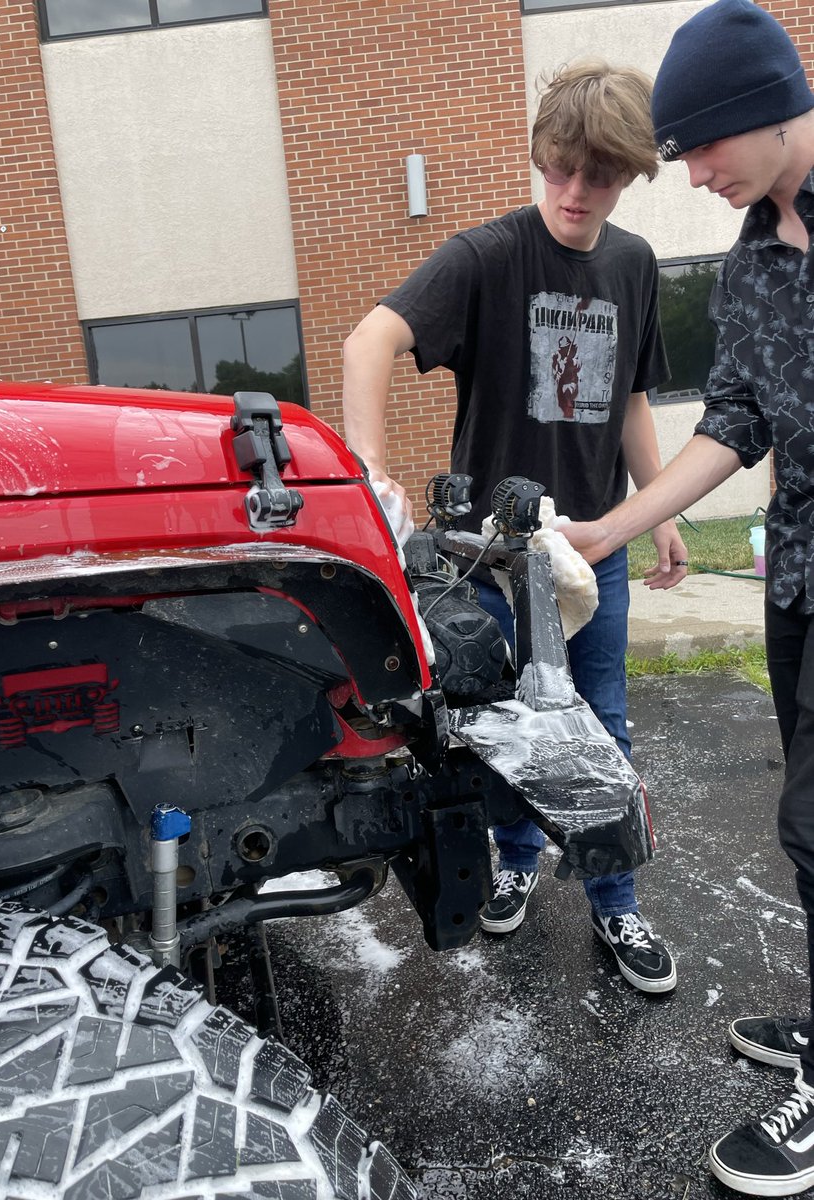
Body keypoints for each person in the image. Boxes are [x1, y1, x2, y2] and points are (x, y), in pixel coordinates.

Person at [342, 60, 685, 995]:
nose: (577, 193)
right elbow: (368, 341)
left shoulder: (634, 264)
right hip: (494, 561)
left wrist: (658, 512)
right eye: (562, 168)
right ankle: (518, 856)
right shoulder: (488, 257)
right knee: (510, 730)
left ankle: (616, 902)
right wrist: (370, 478)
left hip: (594, 548)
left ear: (628, 174)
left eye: (601, 175)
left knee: (600, 728)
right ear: (542, 157)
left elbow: (632, 401)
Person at [560, 1, 814, 1193]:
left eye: (703, 148)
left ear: (763, 109)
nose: (692, 173)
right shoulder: (762, 255)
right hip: (802, 571)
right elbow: (740, 422)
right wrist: (615, 524)